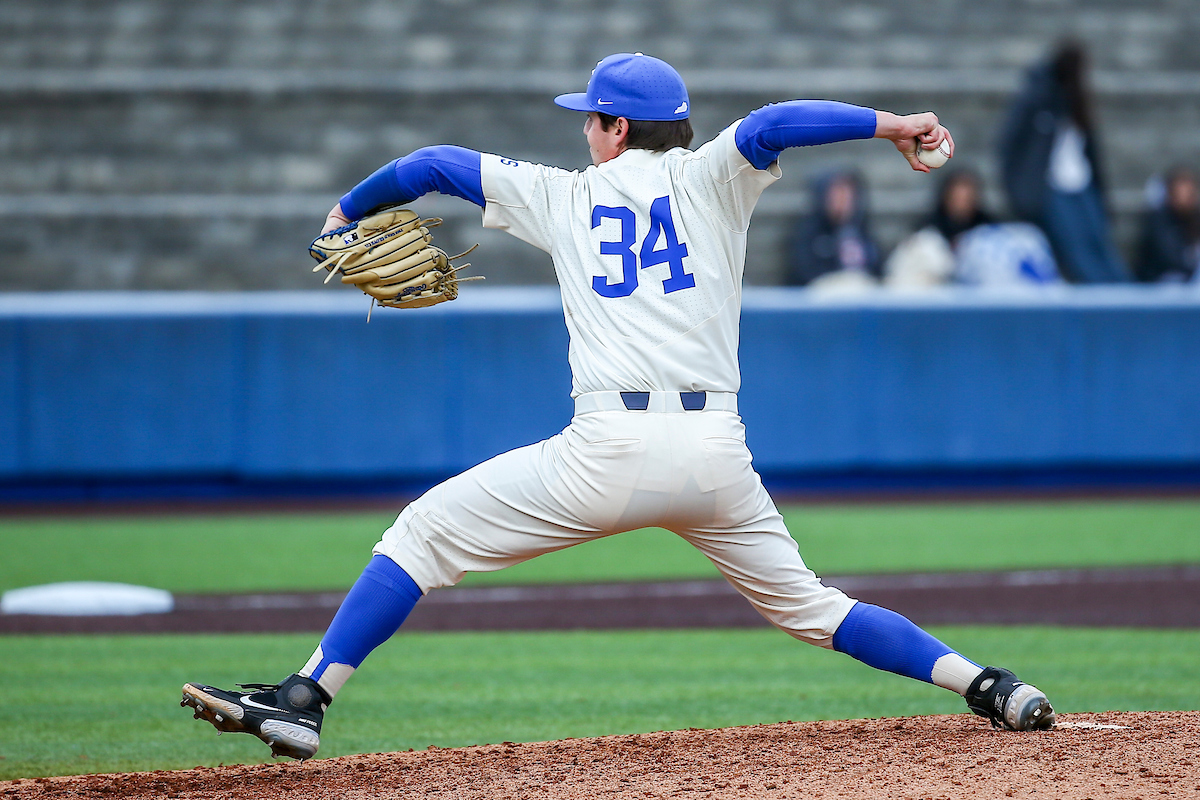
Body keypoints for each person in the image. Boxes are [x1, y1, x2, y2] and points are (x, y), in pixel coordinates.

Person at [181, 53, 1055, 761]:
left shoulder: (565, 195)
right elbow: (772, 124)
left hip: (604, 451)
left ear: (616, 127)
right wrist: (894, 124)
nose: (584, 131)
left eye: (591, 118)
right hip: (717, 455)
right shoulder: (715, 178)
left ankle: (305, 699)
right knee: (815, 609)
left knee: (423, 533)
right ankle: (989, 685)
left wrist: (345, 212)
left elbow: (430, 167)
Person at [998, 40, 1128, 283]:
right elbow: (1010, 143)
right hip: (1052, 186)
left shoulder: (1077, 101)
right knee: (1077, 249)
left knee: (1100, 243)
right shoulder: (1037, 96)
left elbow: (1090, 151)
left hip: (1082, 184)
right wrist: (1020, 190)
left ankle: (1125, 297)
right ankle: (1105, 302)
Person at [884, 168, 993, 287]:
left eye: (967, 198)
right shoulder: (927, 226)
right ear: (946, 196)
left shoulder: (988, 226)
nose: (962, 203)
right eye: (957, 197)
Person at [785, 170, 881, 287]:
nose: (843, 199)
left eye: (848, 193)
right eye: (837, 193)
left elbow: (877, 270)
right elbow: (804, 273)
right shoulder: (806, 234)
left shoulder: (864, 233)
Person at [1135, 165, 1200, 283]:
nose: (1184, 199)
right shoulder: (1158, 220)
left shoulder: (1195, 218)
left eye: (1189, 194)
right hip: (1158, 282)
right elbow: (1168, 258)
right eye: (1179, 193)